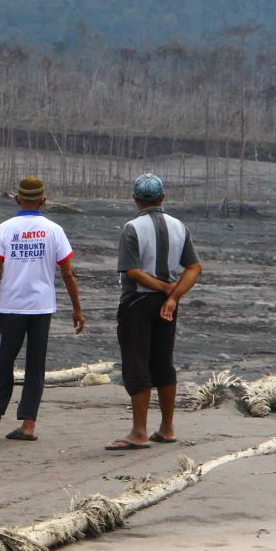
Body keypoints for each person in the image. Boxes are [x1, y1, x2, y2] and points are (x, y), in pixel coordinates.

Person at [0, 177, 85, 441]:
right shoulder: (54, 230)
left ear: (17, 199)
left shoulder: (4, 229)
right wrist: (77, 309)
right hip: (41, 308)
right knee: (35, 366)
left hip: (10, 305)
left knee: (3, 362)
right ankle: (28, 425)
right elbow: (68, 273)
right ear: (43, 200)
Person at [107, 174, 203, 451]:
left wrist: (164, 290)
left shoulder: (131, 228)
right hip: (166, 304)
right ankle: (167, 427)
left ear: (135, 199)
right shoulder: (179, 226)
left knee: (136, 363)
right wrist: (172, 297)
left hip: (137, 303)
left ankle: (139, 432)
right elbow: (194, 267)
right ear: (163, 197)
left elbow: (133, 272)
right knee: (163, 361)